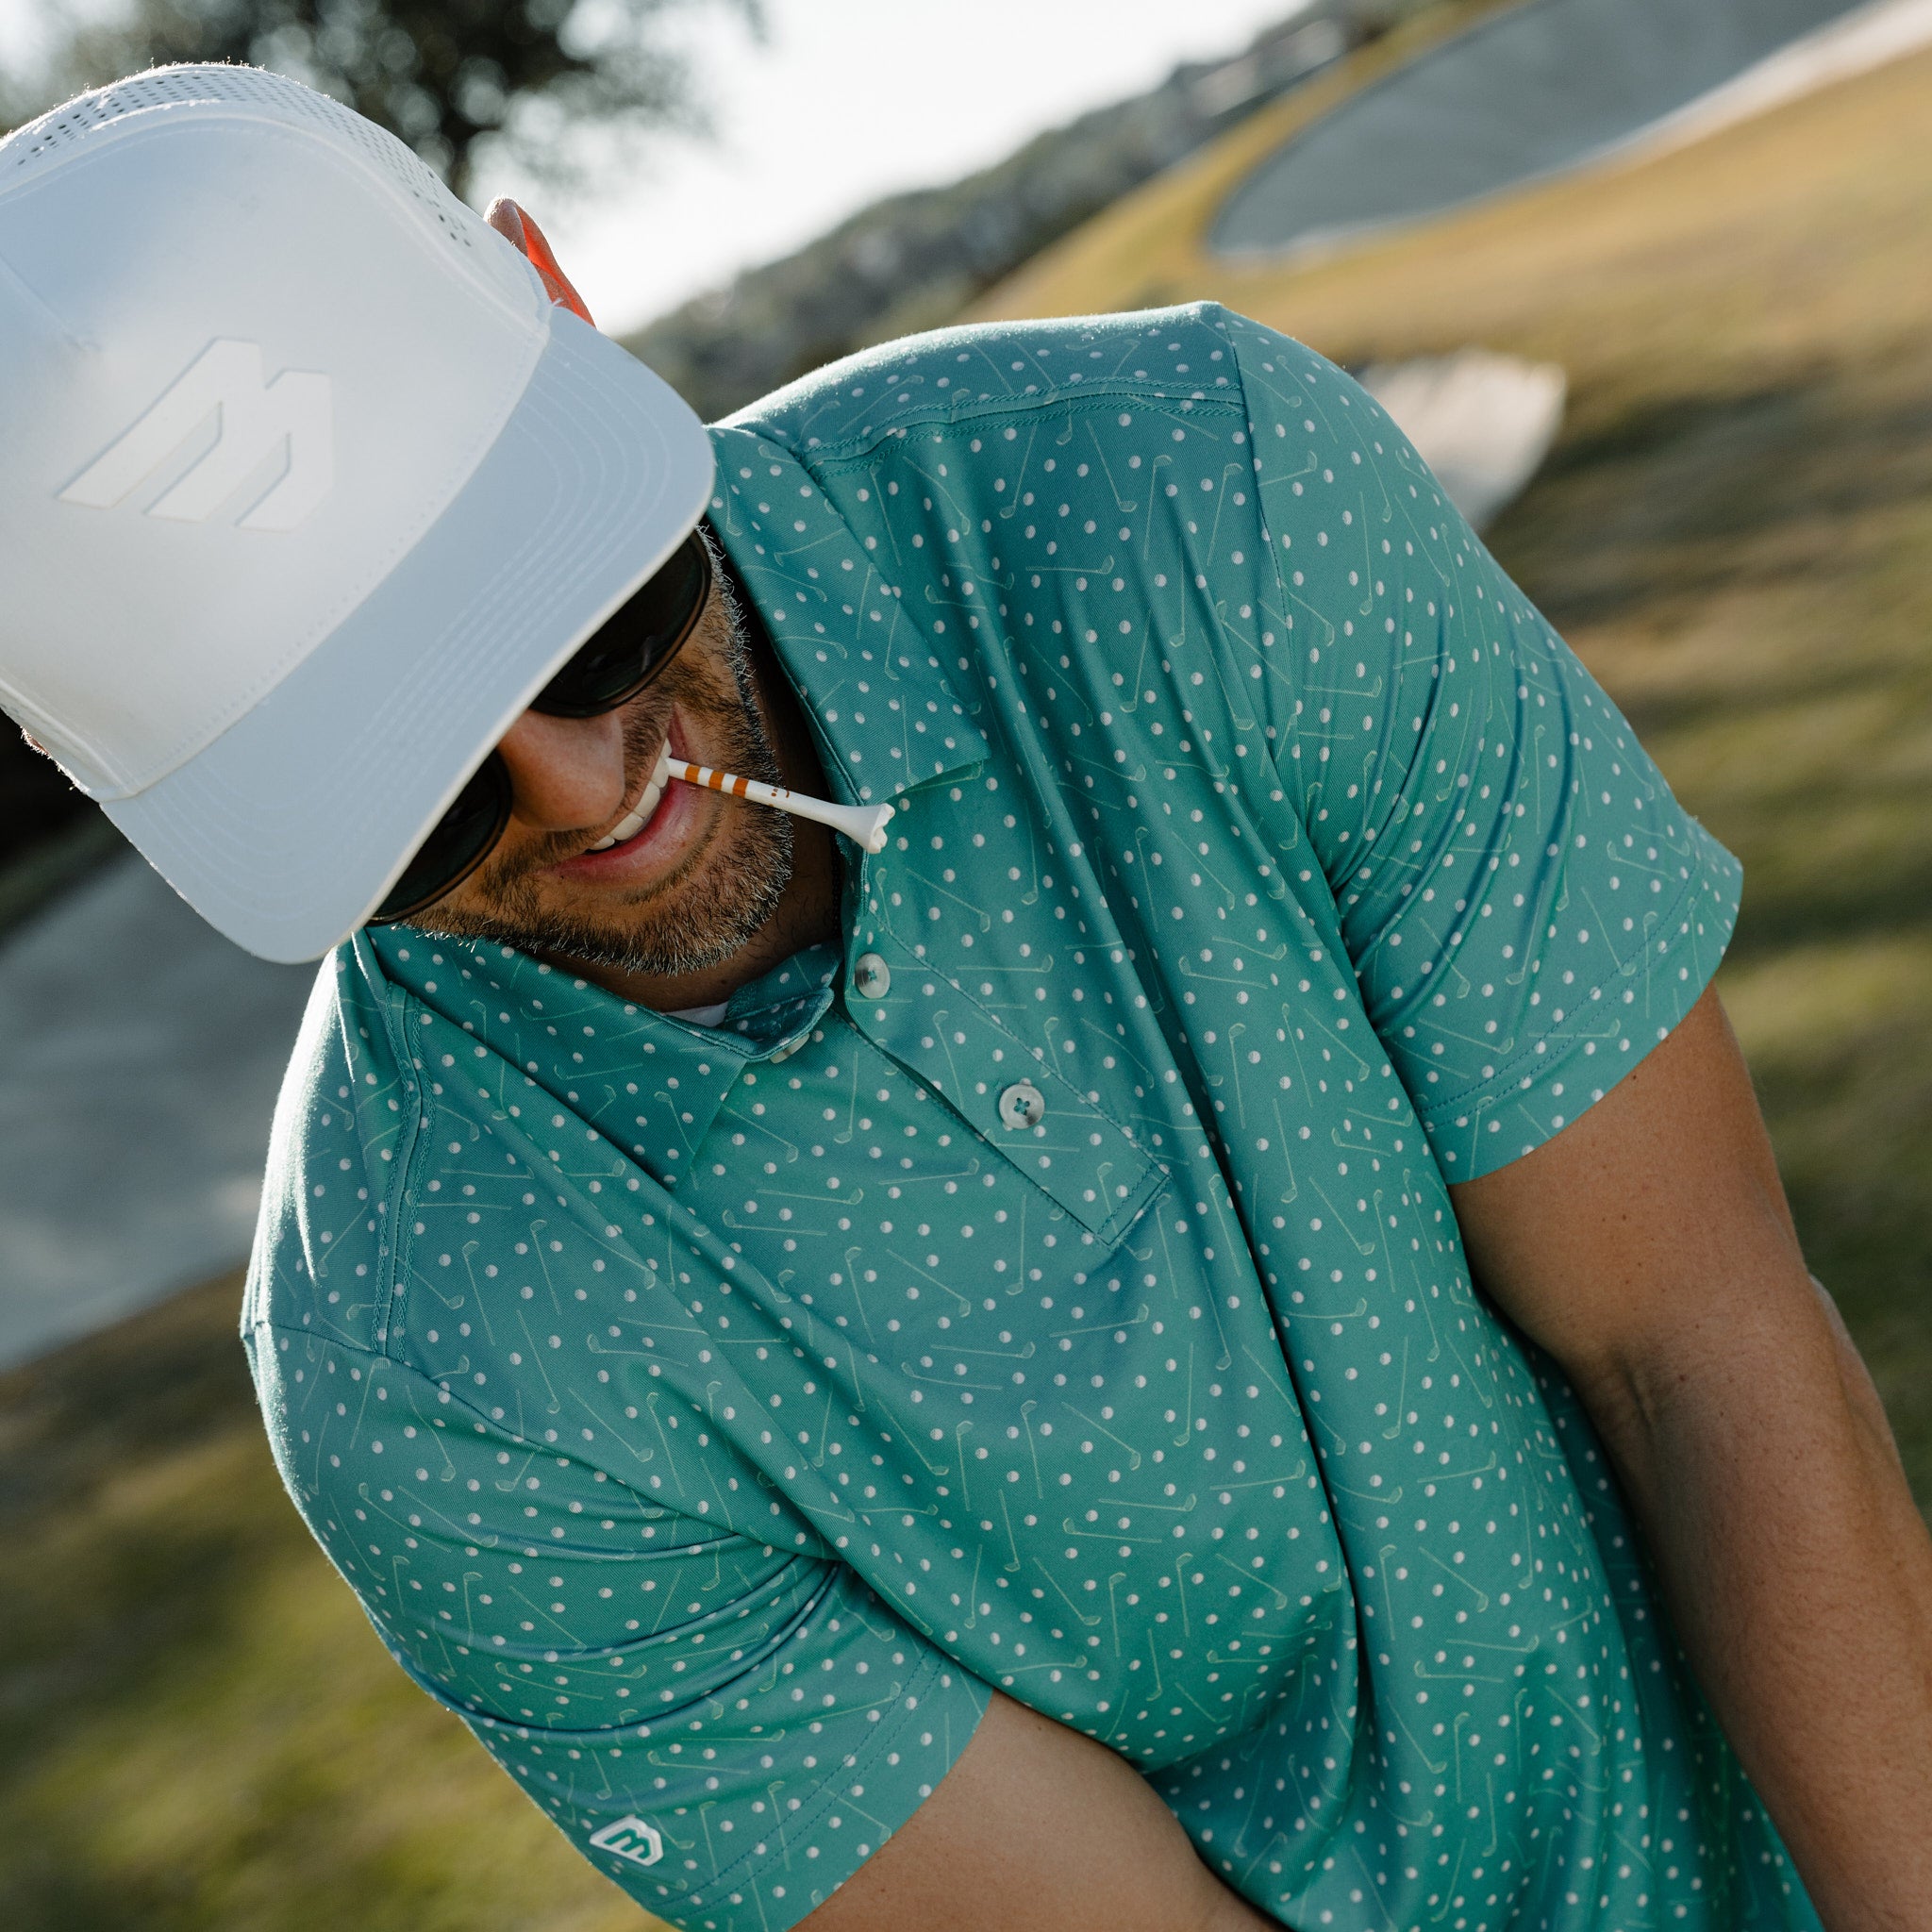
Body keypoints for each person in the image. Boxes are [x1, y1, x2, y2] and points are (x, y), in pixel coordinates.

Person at [3, 66, 1927, 1932]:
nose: (587, 792)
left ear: (558, 300)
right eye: (410, 794)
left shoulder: (1198, 496)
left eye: (577, 615)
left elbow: (1701, 1350)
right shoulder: (424, 1373)